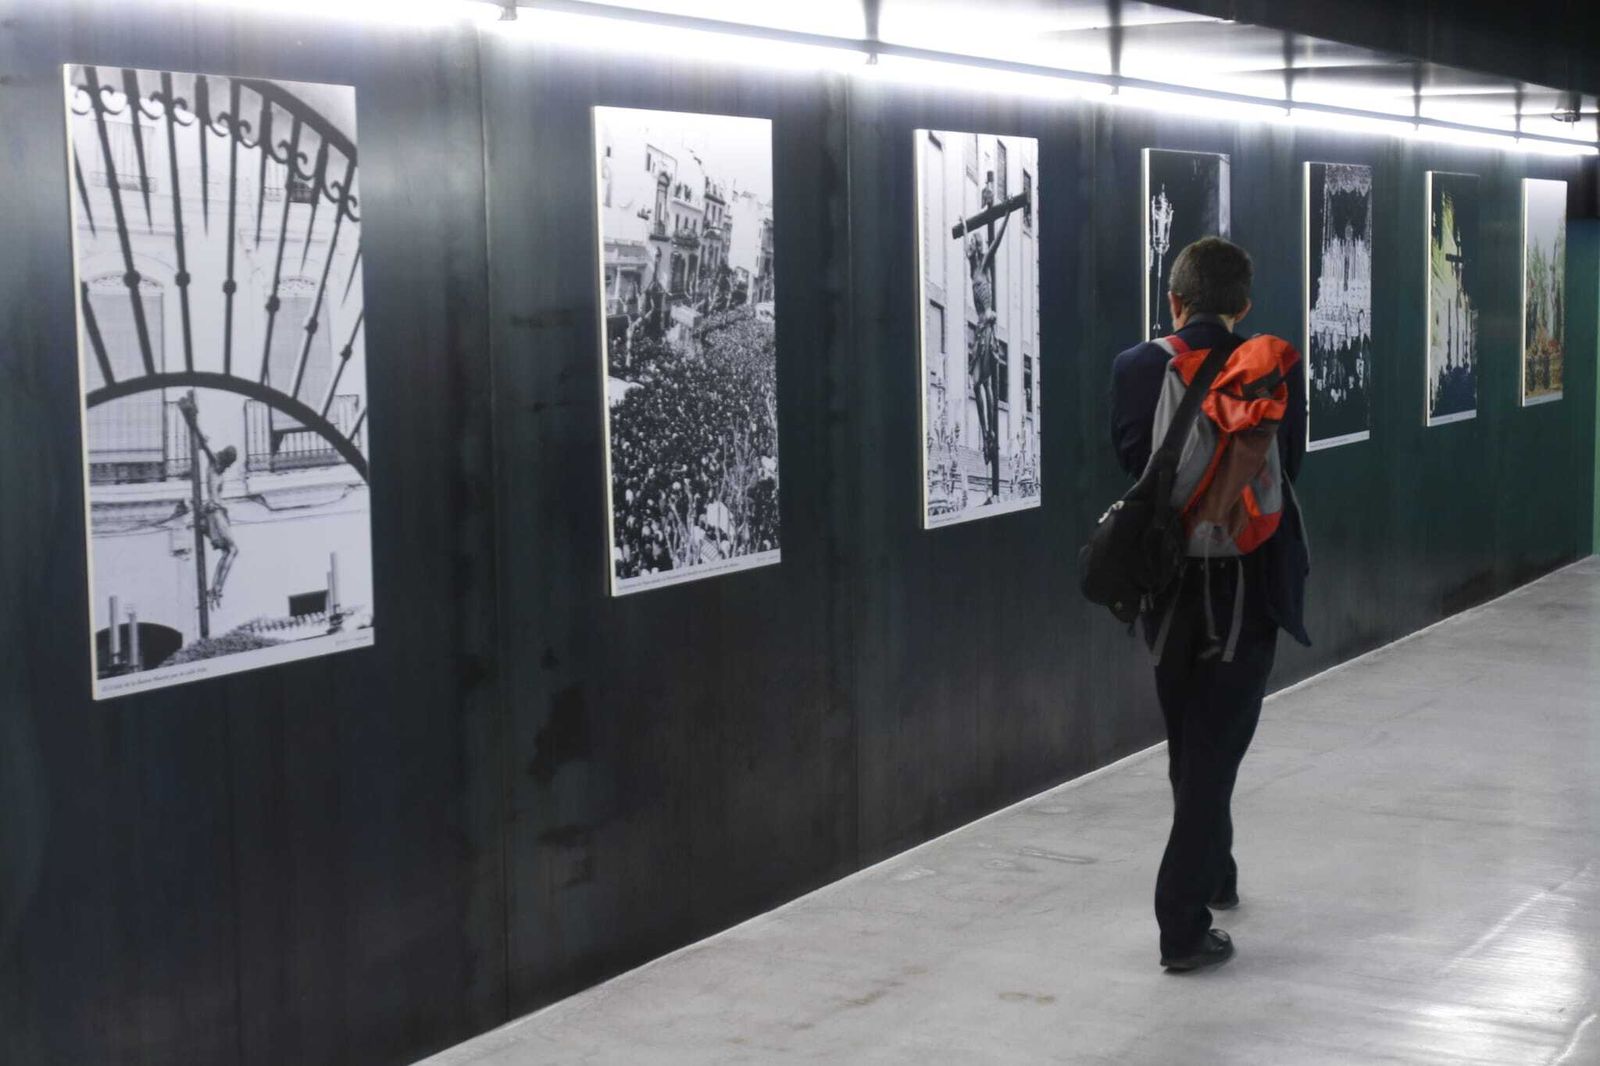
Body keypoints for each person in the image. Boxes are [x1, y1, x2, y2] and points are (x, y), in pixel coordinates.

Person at [1109, 236, 1311, 973]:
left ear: (1174, 299)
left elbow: (1132, 460)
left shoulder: (1135, 368)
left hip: (1164, 586)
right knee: (1215, 750)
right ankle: (1182, 927)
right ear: (1243, 305)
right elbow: (1293, 469)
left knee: (1191, 743)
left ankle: (1215, 873)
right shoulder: (1273, 368)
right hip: (1244, 585)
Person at [202, 445, 240, 609]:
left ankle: (215, 588)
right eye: (229, 462)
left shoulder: (217, 471)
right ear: (223, 459)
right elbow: (206, 448)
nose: (229, 467)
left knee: (228, 551)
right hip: (215, 512)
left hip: (219, 512)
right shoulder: (213, 467)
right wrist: (198, 430)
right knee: (233, 550)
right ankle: (217, 589)